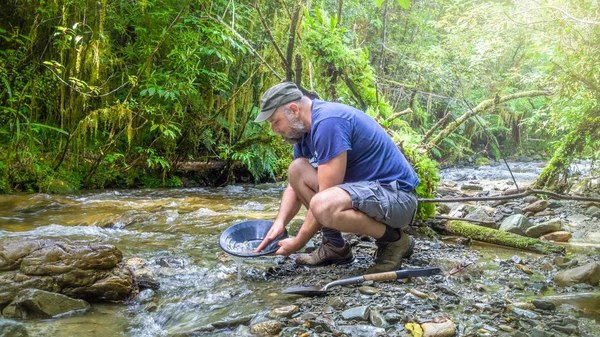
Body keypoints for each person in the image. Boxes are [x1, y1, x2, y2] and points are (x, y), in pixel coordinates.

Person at [254, 82, 420, 273]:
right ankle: (334, 246)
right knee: (296, 170)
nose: (274, 129)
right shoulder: (303, 134)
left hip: (399, 198)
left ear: (293, 110)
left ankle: (395, 241)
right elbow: (294, 186)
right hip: (371, 196)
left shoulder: (328, 122)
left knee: (323, 204)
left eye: (276, 122)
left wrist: (298, 242)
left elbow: (324, 196)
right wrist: (279, 223)